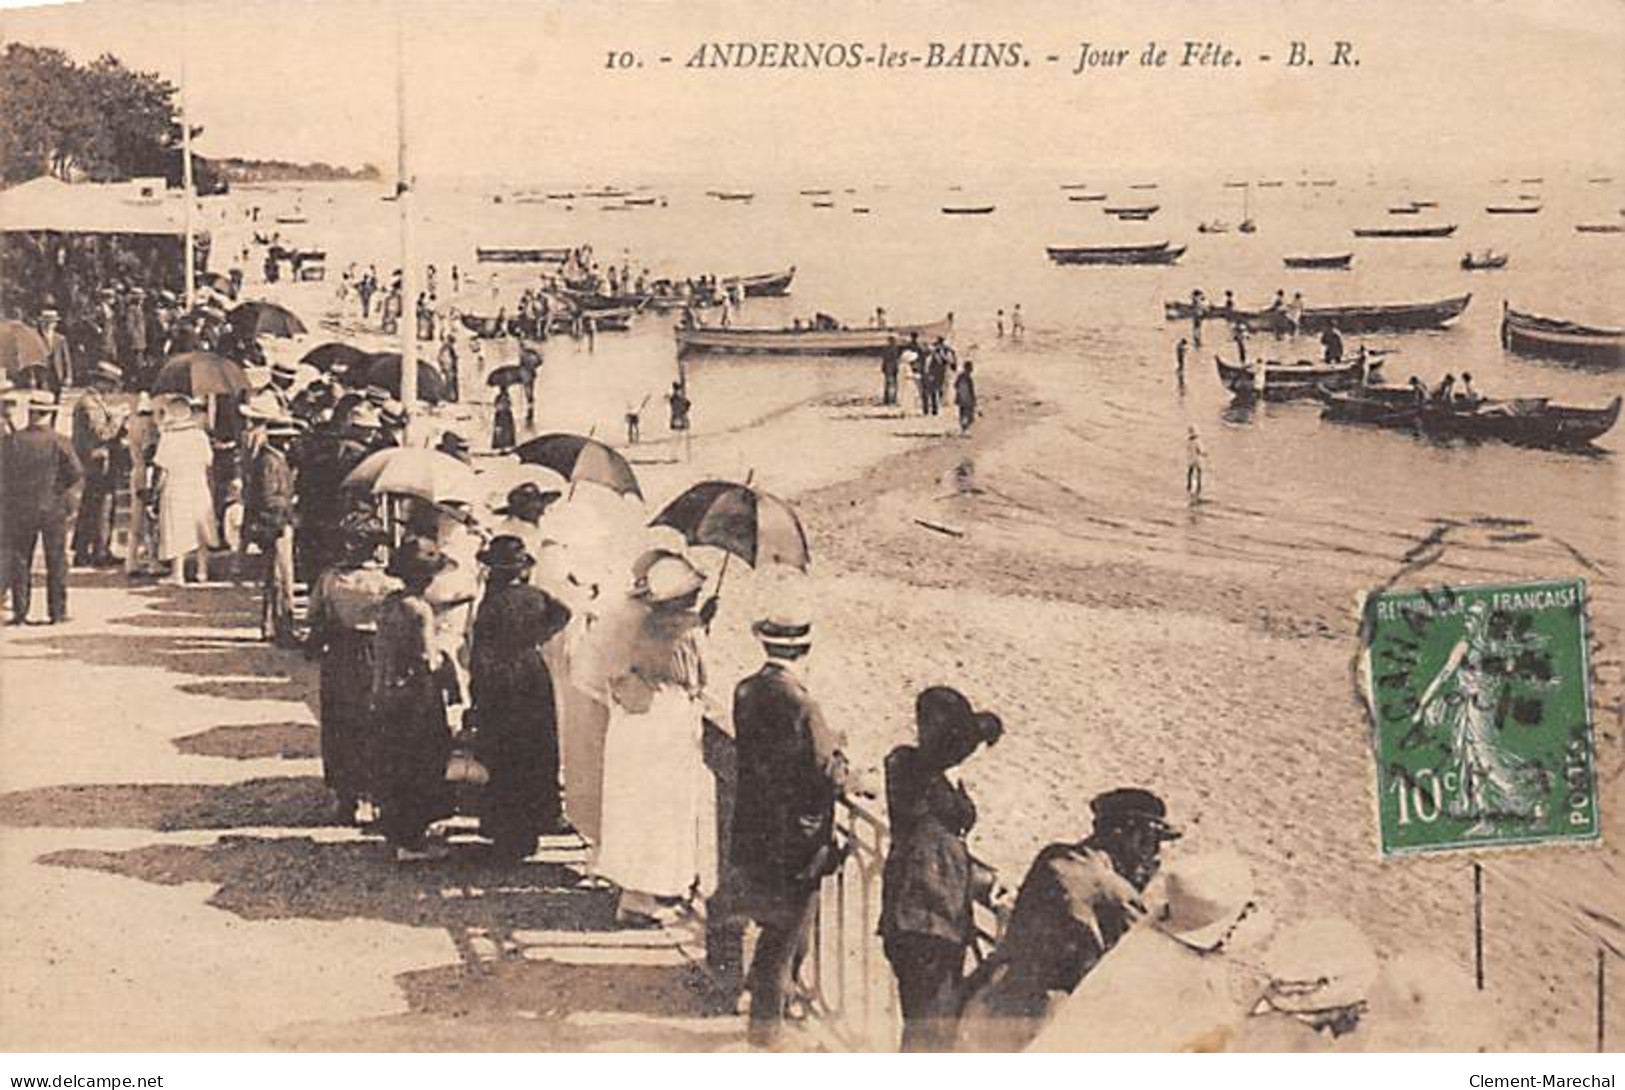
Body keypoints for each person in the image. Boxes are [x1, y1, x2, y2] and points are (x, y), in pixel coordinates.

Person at [957, 787, 1182, 1051]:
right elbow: (1143, 966)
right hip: (1044, 1021)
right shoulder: (1116, 892)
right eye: (1148, 840)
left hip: (992, 1000)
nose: (1153, 853)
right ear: (1122, 834)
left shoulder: (1053, 856)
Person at [732, 606, 854, 1049]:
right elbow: (825, 771)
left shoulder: (746, 689)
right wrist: (840, 755)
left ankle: (773, 1000)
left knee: (777, 925)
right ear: (805, 649)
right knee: (782, 936)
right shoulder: (803, 703)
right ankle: (766, 1032)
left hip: (755, 828)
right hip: (796, 837)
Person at [880, 687, 1003, 1052]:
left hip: (916, 916)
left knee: (926, 1027)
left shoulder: (908, 768)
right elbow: (938, 840)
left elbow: (938, 839)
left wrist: (983, 878)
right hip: (929, 920)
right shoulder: (922, 776)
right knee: (930, 1033)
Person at [597, 551, 715, 926]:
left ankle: (635, 892)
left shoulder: (644, 623)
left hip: (635, 716)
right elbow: (700, 678)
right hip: (667, 718)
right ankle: (646, 897)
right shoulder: (690, 627)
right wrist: (703, 628)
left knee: (635, 806)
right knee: (663, 808)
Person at [470, 535, 576, 860]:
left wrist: (477, 691)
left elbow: (479, 649)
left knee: (503, 752)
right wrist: (537, 637)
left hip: (499, 678)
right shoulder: (536, 597)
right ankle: (533, 825)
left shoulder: (491, 602)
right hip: (531, 673)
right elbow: (564, 613)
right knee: (535, 749)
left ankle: (504, 830)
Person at [305, 512, 400, 826]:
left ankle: (346, 795)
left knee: (340, 722)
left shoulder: (331, 579)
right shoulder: (389, 584)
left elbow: (315, 617)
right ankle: (374, 795)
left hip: (340, 653)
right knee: (377, 720)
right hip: (379, 653)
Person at [372, 540, 457, 861]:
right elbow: (426, 658)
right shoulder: (419, 611)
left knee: (395, 761)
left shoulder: (390, 603)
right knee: (422, 761)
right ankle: (413, 839)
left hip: (388, 690)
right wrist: (444, 658)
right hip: (416, 694)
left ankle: (398, 832)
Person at [3, 394, 82, 624]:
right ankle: (57, 613)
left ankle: (20, 613)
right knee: (56, 560)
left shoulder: (11, 441)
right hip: (52, 508)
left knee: (20, 559)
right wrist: (58, 490)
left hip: (19, 508)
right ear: (49, 414)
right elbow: (76, 472)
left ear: (31, 413)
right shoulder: (60, 441)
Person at [243, 416, 300, 647]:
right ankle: (281, 628)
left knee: (276, 578)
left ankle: (271, 625)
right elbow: (267, 498)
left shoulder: (270, 458)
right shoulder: (269, 461)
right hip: (275, 524)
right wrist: (289, 505)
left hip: (275, 522)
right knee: (280, 578)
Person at [153, 398, 219, 586]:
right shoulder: (200, 436)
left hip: (176, 486)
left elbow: (163, 470)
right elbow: (208, 464)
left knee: (176, 529)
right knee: (201, 528)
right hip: (198, 485)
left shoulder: (168, 438)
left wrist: (155, 494)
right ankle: (202, 570)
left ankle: (178, 573)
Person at [70, 362, 125, 568]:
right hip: (96, 461)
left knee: (96, 506)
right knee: (100, 505)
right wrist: (118, 419)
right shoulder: (89, 403)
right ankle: (96, 550)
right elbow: (101, 433)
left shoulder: (94, 401)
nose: (111, 389)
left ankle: (92, 548)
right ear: (100, 382)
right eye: (109, 384)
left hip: (98, 460)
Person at [124, 393, 161, 577]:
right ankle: (153, 561)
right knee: (151, 520)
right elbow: (150, 452)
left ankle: (131, 561)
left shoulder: (133, 424)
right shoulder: (150, 426)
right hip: (148, 473)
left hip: (135, 471)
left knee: (135, 521)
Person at [37, 309, 72, 401]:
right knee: (42, 400)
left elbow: (66, 360)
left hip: (57, 374)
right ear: (41, 323)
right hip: (42, 375)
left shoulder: (60, 339)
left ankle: (55, 415)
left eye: (51, 322)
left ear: (55, 324)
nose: (49, 325)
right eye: (46, 322)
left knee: (57, 401)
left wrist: (68, 376)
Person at [954, 360, 978, 435]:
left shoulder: (960, 376)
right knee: (968, 415)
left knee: (963, 414)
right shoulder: (968, 378)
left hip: (961, 399)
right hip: (967, 400)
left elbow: (955, 386)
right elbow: (971, 390)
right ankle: (965, 430)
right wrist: (974, 400)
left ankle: (963, 429)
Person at [437, 332, 460, 404]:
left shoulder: (446, 348)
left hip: (450, 367)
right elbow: (444, 358)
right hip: (449, 368)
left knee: (450, 382)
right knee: (450, 382)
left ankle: (451, 396)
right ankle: (450, 397)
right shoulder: (446, 348)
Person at [880, 336, 902, 406]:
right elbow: (894, 359)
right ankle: (891, 399)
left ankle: (887, 399)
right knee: (892, 384)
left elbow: (885, 359)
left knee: (888, 384)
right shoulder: (894, 349)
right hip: (891, 367)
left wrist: (883, 367)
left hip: (889, 367)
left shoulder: (887, 349)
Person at [1186, 425, 1205, 502]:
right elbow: (1200, 451)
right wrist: (1204, 454)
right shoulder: (1197, 442)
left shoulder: (1189, 441)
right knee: (1199, 472)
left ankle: (1189, 484)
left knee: (1190, 472)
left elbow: (1188, 450)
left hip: (1190, 458)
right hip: (1197, 459)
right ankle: (1199, 485)